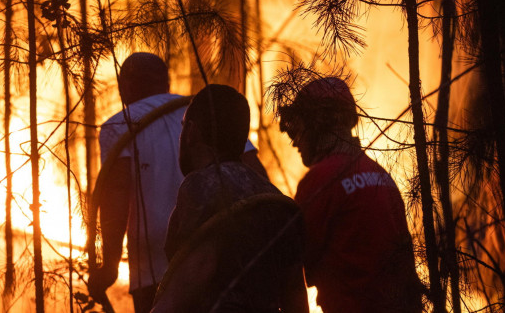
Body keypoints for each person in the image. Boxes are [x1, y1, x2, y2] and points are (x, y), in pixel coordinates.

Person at [88, 54, 263, 313]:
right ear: (166, 82)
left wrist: (110, 266)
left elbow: (116, 192)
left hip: (156, 266)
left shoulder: (119, 124)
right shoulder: (206, 113)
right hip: (227, 257)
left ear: (124, 85)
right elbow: (255, 175)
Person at [154, 84, 308, 313]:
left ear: (192, 132)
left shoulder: (201, 186)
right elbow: (295, 290)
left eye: (183, 126)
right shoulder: (273, 196)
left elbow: (197, 270)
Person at [278, 76, 423, 313]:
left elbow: (291, 263)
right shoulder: (381, 176)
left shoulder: (320, 181)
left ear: (317, 124)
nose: (295, 141)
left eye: (299, 126)